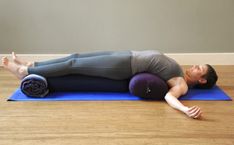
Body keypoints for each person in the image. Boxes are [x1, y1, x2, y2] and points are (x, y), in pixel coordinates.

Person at [1, 50, 218, 119]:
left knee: (73, 64)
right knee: (75, 57)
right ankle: (34, 64)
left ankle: (24, 72)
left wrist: (185, 109)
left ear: (202, 80)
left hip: (123, 65)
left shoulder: (182, 84)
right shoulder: (180, 71)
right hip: (126, 54)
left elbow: (170, 97)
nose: (195, 67)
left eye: (200, 69)